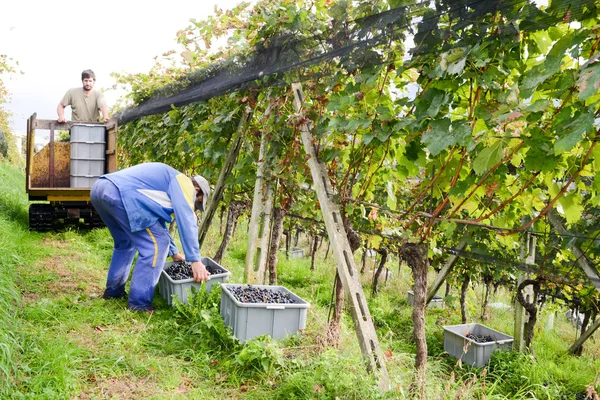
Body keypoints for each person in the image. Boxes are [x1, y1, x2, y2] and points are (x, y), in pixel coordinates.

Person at [90, 162, 211, 311]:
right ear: (197, 190)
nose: (194, 206)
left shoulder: (165, 184)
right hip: (122, 194)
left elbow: (156, 222)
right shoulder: (184, 183)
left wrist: (174, 252)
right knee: (156, 246)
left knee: (126, 243)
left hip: (101, 188)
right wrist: (195, 260)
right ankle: (139, 304)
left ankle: (114, 292)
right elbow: (186, 219)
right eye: (197, 202)